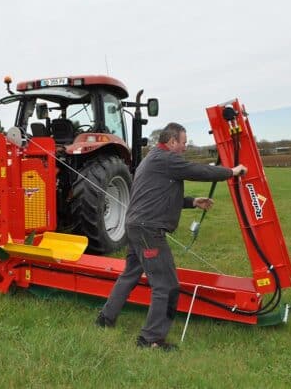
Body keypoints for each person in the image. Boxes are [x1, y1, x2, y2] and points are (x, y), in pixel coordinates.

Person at [95, 122, 247, 351]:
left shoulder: (153, 159)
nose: (185, 147)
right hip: (148, 230)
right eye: (184, 142)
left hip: (136, 227)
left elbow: (158, 196)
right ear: (172, 141)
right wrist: (231, 172)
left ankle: (105, 319)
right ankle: (151, 340)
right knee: (165, 284)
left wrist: (193, 202)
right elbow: (199, 171)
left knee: (130, 275)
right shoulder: (166, 159)